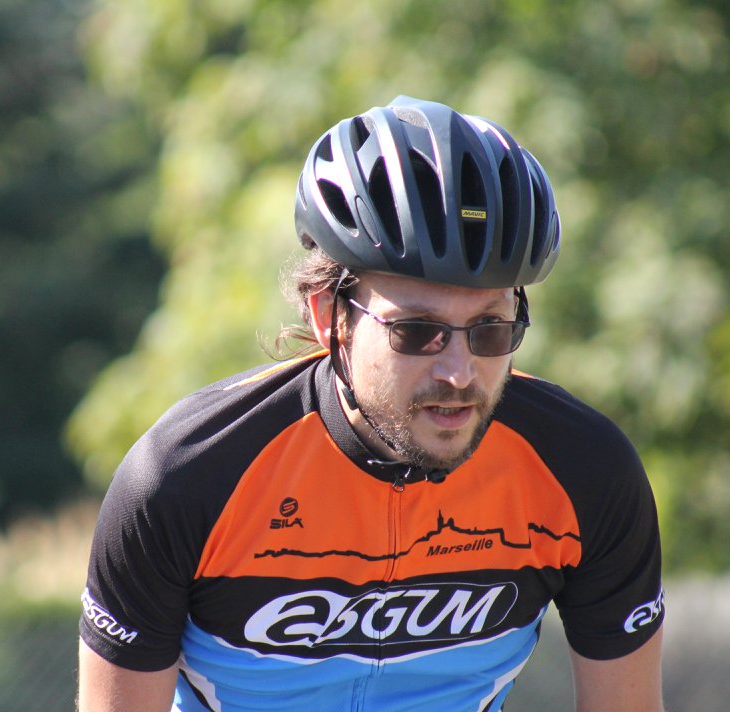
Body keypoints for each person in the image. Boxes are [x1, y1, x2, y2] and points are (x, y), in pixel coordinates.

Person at [77, 96, 665, 711]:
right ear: (329, 316)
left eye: (491, 329)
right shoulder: (188, 476)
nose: (459, 372)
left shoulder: (583, 470)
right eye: (416, 330)